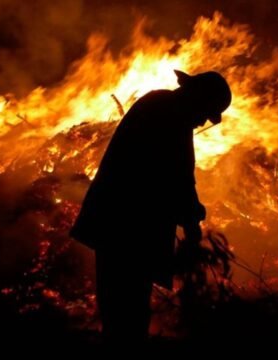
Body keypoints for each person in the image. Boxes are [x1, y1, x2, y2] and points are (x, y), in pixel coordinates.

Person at [70, 69, 232, 342]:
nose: (203, 120)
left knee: (119, 309)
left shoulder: (162, 106)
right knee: (127, 311)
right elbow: (178, 176)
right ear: (197, 98)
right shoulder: (171, 116)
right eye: (206, 112)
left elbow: (177, 177)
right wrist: (192, 224)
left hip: (115, 223)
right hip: (128, 228)